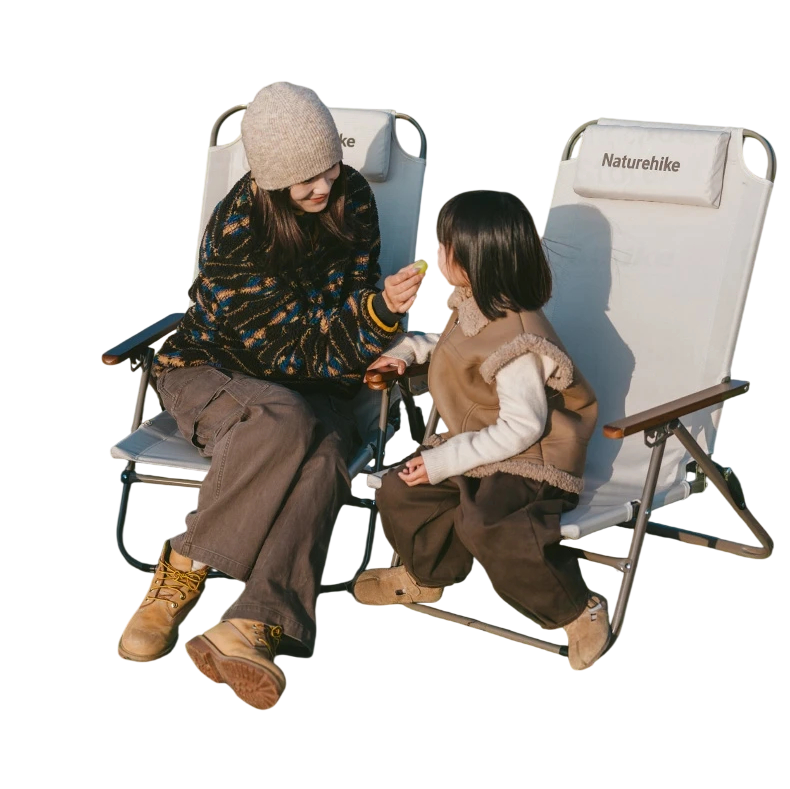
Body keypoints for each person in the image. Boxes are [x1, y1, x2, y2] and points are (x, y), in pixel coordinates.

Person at [118, 82, 425, 708]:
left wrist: (377, 310)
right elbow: (289, 350)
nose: (324, 186)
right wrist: (375, 316)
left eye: (329, 168)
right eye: (305, 179)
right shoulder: (236, 231)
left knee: (328, 456)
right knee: (282, 419)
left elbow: (343, 312)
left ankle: (253, 624)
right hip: (212, 368)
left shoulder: (352, 198)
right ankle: (186, 563)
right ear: (270, 180)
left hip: (317, 379)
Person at [354, 191, 609, 670]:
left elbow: (522, 428)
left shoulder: (519, 341)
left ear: (472, 260)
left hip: (534, 461)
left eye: (445, 245)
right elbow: (454, 346)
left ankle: (576, 608)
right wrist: (407, 351)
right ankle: (426, 574)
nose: (438, 253)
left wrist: (441, 461)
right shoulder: (477, 304)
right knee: (399, 490)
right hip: (487, 449)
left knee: (490, 523)